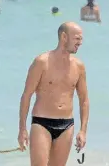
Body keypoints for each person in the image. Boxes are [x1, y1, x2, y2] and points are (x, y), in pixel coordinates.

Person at [18, 22, 89, 166]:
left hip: (66, 125)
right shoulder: (41, 62)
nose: (80, 43)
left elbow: (84, 100)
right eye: (77, 38)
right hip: (42, 122)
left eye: (81, 39)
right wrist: (22, 129)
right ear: (64, 37)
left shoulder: (79, 66)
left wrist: (83, 130)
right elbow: (26, 95)